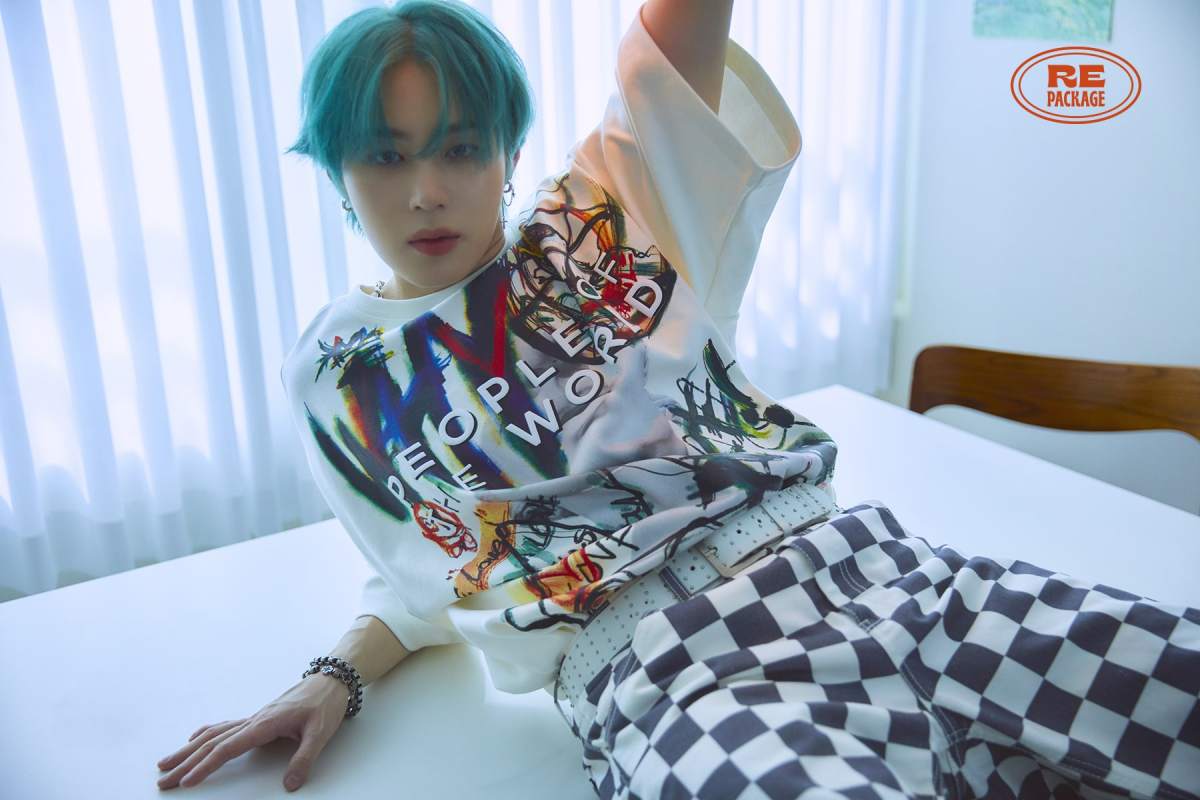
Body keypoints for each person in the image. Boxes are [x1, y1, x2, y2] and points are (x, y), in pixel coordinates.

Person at [156, 0, 1200, 797]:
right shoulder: (339, 375)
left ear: (507, 152)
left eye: (460, 147)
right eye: (385, 155)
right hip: (677, 674)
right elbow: (437, 564)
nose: (426, 189)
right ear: (336, 169)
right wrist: (334, 673)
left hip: (875, 576)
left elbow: (681, 32)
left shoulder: (603, 218)